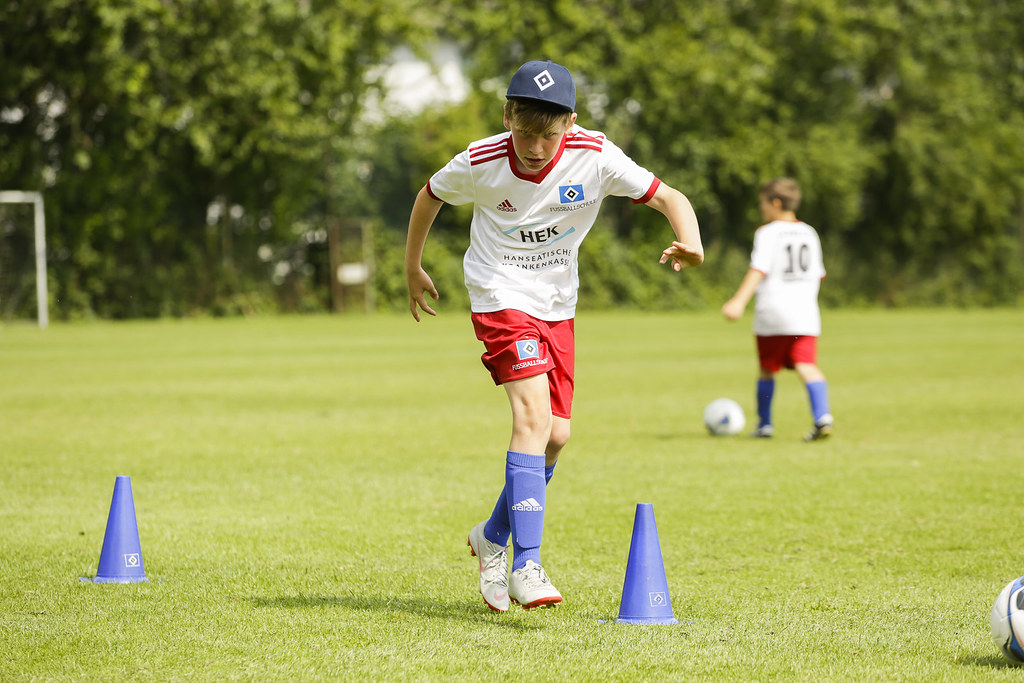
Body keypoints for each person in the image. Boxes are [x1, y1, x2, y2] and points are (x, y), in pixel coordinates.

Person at [405, 60, 703, 612]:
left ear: (570, 123)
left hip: (557, 304)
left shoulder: (596, 155)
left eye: (549, 133)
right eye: (525, 132)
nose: (536, 147)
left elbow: (670, 197)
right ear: (507, 118)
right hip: (498, 293)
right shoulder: (481, 159)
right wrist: (412, 267)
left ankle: (491, 535)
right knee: (532, 420)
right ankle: (525, 564)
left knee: (558, 435)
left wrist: (690, 238)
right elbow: (429, 196)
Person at [721, 177, 834, 442]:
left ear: (775, 202)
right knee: (807, 365)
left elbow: (759, 269)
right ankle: (823, 417)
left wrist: (738, 301)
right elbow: (818, 275)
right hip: (806, 315)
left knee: (767, 369)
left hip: (773, 313)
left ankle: (765, 424)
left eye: (762, 204)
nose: (761, 210)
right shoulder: (809, 232)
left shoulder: (767, 232)